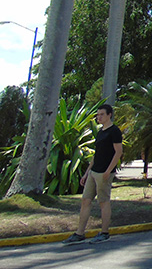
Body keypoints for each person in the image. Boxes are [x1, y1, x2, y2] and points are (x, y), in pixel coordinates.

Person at [62, 104, 123, 245]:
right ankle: (79, 233)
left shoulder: (114, 131)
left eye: (102, 114)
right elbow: (97, 154)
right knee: (85, 200)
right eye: (98, 114)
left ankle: (105, 232)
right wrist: (87, 172)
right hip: (93, 171)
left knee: (103, 202)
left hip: (104, 173)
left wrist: (108, 171)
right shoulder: (101, 132)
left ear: (109, 115)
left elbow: (118, 152)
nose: (99, 117)